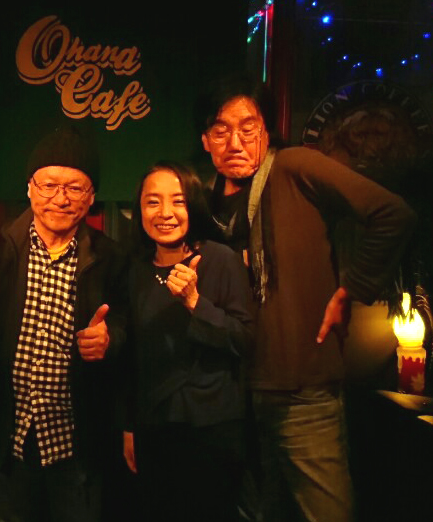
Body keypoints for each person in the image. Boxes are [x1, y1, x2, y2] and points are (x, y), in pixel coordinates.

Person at [199, 78, 416, 522]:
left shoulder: (293, 167)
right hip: (234, 394)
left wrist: (351, 289)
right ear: (205, 140)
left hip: (301, 388)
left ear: (266, 129)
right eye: (221, 130)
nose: (235, 142)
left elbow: (392, 214)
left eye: (248, 127)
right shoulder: (207, 201)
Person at [0, 126, 128, 522]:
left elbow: (128, 328)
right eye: (49, 185)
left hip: (76, 442)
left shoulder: (112, 259)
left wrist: (110, 339)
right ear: (29, 188)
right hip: (5, 437)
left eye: (74, 188)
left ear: (91, 197)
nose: (60, 198)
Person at [121, 162, 254, 522]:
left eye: (177, 201)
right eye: (153, 202)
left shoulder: (220, 260)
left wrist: (196, 302)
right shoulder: (134, 269)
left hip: (213, 427)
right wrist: (129, 427)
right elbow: (132, 359)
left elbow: (245, 339)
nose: (165, 213)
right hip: (154, 426)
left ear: (192, 206)